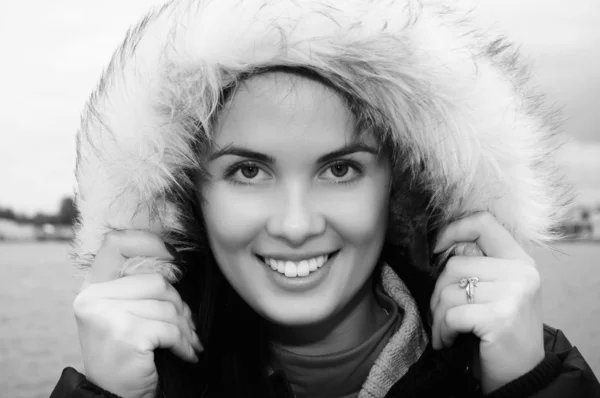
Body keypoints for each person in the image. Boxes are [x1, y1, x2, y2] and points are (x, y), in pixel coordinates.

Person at [51, 0, 600, 397]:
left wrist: (528, 383)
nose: (294, 225)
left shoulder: (511, 357)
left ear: (400, 187)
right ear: (191, 196)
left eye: (340, 169)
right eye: (248, 171)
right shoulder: (140, 370)